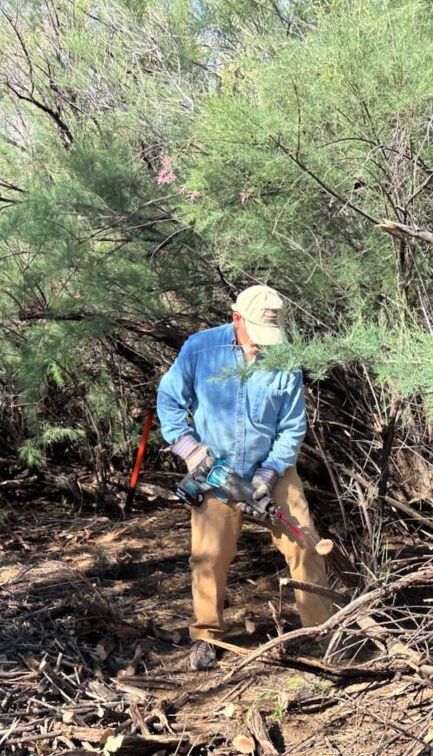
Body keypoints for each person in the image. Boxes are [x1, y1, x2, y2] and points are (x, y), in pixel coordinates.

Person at [157, 285, 334, 671]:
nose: (263, 344)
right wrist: (191, 451)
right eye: (256, 332)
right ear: (238, 319)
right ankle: (206, 635)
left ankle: (319, 631)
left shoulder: (285, 360)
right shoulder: (200, 349)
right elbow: (169, 399)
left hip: (272, 466)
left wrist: (269, 473)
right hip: (214, 467)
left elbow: (291, 427)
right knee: (209, 555)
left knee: (304, 540)